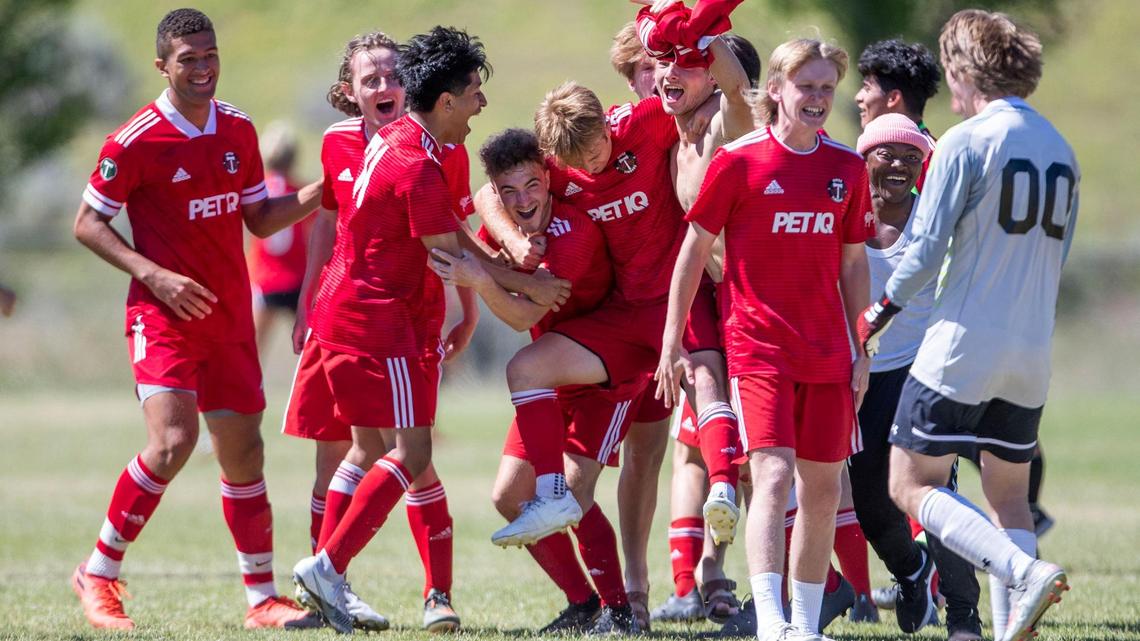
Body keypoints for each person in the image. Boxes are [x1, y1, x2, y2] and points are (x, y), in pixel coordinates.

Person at [69, 8, 322, 631]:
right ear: (163, 65)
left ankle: (261, 599)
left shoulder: (237, 128)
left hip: (230, 315)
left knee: (244, 451)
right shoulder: (133, 141)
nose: (204, 67)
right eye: (189, 58)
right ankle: (97, 573)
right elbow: (87, 223)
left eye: (210, 55)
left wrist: (326, 190)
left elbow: (259, 218)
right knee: (172, 443)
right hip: (163, 317)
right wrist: (150, 273)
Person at [857, 10, 1077, 641]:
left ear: (965, 70)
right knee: (1009, 496)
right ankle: (1013, 623)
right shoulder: (1061, 150)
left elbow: (925, 252)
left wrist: (880, 310)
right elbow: (1056, 260)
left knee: (907, 481)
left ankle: (1021, 573)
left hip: (962, 344)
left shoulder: (966, 140)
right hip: (1032, 349)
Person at [657, 38, 874, 641]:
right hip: (758, 350)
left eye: (828, 88)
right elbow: (692, 251)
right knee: (773, 477)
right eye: (806, 86)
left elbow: (854, 264)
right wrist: (673, 341)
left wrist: (863, 345)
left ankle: (804, 625)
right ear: (775, 89)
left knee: (823, 488)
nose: (818, 98)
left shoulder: (846, 169)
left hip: (829, 353)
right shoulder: (739, 161)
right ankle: (771, 621)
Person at [288, 26, 490, 634]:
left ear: (413, 85)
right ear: (349, 91)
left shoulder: (440, 151)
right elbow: (331, 225)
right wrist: (304, 300)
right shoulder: (347, 145)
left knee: (388, 452)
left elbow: (451, 233)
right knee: (383, 451)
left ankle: (429, 594)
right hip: (360, 316)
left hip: (408, 317)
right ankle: (329, 577)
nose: (384, 85)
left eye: (392, 75)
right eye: (369, 77)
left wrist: (468, 309)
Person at [434, 127, 648, 634]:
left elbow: (516, 314)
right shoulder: (505, 220)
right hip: (548, 378)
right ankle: (584, 604)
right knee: (508, 498)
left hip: (605, 372)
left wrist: (484, 280)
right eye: (509, 191)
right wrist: (490, 261)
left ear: (548, 181)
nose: (522, 200)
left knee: (574, 495)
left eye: (531, 185)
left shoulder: (574, 235)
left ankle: (620, 611)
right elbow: (479, 225)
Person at [853, 38, 987, 639]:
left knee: (931, 494)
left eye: (911, 152)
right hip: (859, 373)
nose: (900, 161)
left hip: (924, 368)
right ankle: (911, 574)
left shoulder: (939, 195)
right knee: (871, 502)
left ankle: (964, 614)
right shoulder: (843, 196)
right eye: (887, 152)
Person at [245, 121, 313, 358]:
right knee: (313, 351)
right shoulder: (302, 192)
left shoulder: (256, 190)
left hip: (264, 281)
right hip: (297, 281)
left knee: (252, 352)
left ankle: (248, 393)